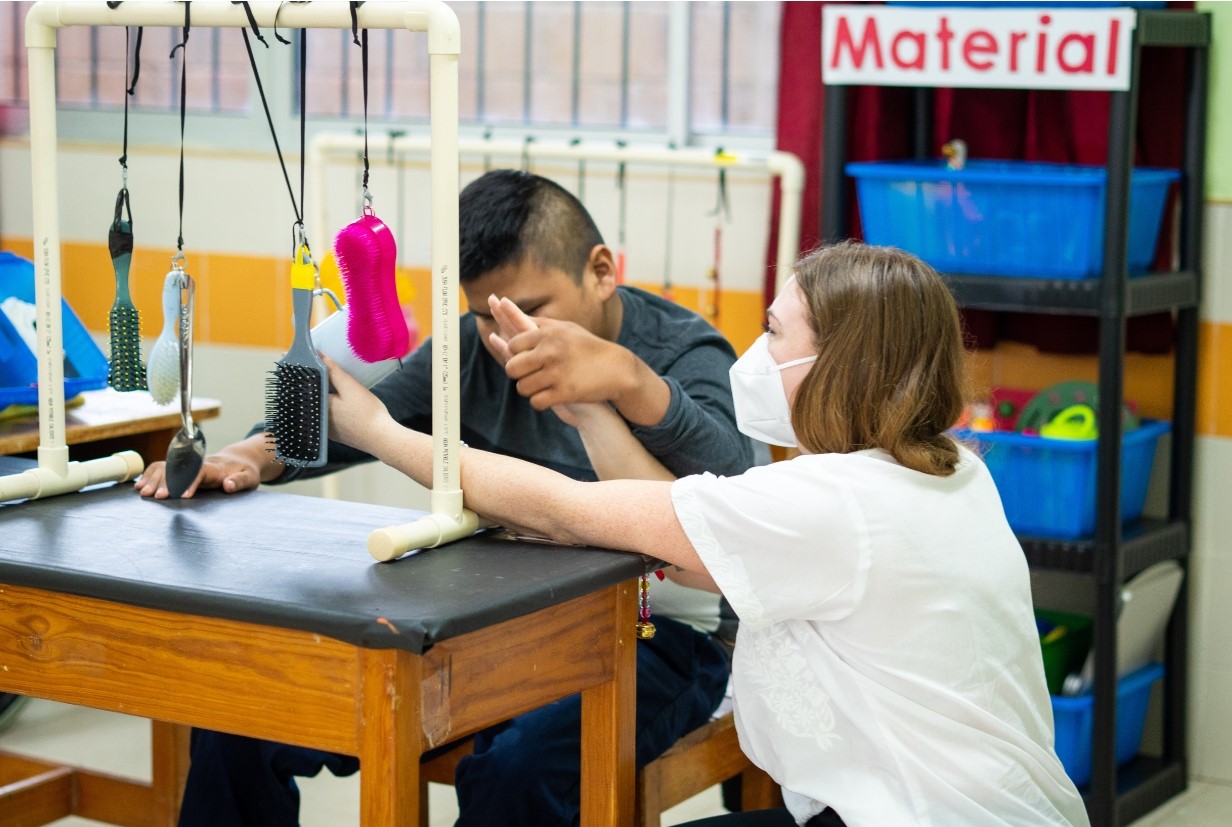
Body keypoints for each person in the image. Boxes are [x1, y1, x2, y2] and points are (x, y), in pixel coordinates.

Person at [324, 241, 1092, 827]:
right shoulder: (947, 469)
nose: (756, 352)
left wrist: (379, 429)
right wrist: (586, 406)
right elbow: (682, 528)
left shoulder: (829, 500)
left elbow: (565, 508)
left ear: (842, 363)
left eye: (774, 331)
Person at [137, 169, 753, 827]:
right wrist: (249, 456)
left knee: (516, 771)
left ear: (601, 271)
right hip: (502, 621)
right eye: (486, 313)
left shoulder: (684, 348)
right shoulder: (475, 348)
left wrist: (630, 382)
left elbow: (735, 487)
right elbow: (371, 419)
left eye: (532, 310)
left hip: (662, 635)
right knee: (246, 714)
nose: (508, 335)